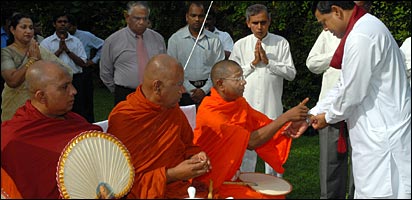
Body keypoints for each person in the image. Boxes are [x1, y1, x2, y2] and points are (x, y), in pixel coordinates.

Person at [310, 1, 411, 199]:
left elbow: (351, 93)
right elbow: (343, 84)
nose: (326, 29)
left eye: (324, 22)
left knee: (383, 193)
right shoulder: (365, 27)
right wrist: (314, 112)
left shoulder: (361, 36)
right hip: (375, 133)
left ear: (337, 11)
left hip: (382, 136)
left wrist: (327, 117)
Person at [192, 60, 310, 199]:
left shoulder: (238, 103)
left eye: (242, 77)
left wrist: (288, 125)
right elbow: (251, 142)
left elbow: (262, 124)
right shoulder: (211, 113)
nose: (244, 82)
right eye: (238, 79)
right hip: (211, 183)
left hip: (231, 177)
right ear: (220, 84)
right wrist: (284, 118)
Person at [107, 54, 212, 199]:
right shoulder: (126, 118)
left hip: (179, 190)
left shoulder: (172, 109)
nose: (183, 90)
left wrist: (196, 155)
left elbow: (187, 145)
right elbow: (122, 183)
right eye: (178, 84)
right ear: (157, 87)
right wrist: (172, 175)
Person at [1, 60, 103, 198]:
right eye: (64, 87)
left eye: (71, 84)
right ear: (41, 96)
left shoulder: (76, 121)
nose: (74, 91)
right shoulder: (13, 138)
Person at [306, 2, 371, 198]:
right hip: (329, 108)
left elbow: (354, 86)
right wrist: (338, 54)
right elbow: (312, 63)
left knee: (361, 165)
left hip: (360, 111)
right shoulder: (329, 32)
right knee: (330, 163)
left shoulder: (364, 33)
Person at [228, 4, 296, 177]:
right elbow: (231, 77)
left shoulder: (281, 43)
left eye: (263, 22)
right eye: (256, 23)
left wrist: (268, 63)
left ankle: (274, 193)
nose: (260, 27)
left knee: (273, 157)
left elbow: (291, 73)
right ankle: (244, 192)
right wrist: (252, 64)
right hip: (247, 109)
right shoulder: (240, 45)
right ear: (248, 23)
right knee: (245, 156)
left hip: (271, 107)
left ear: (270, 22)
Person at [1, 13, 71, 122]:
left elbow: (66, 72)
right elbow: (12, 81)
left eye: (31, 28)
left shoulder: (39, 50)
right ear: (12, 30)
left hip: (40, 105)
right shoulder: (6, 53)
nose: (28, 31)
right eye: (23, 27)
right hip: (15, 108)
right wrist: (32, 60)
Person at [100, 1, 166, 106]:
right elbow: (105, 72)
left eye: (145, 19)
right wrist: (117, 90)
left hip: (153, 93)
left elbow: (164, 66)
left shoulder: (157, 39)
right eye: (137, 18)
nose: (141, 22)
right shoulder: (113, 41)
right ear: (127, 17)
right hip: (125, 94)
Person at [167, 2, 225, 107]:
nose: (197, 19)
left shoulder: (214, 40)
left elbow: (219, 69)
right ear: (187, 17)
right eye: (193, 15)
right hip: (183, 93)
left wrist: (204, 90)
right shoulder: (175, 40)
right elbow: (173, 69)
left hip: (210, 92)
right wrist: (190, 89)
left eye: (201, 16)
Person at [40, 13, 88, 120]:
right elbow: (43, 65)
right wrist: (59, 51)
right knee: (58, 109)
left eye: (65, 22)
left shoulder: (76, 41)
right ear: (54, 24)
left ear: (69, 25)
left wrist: (67, 51)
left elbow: (83, 63)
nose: (62, 24)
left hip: (75, 79)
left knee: (78, 108)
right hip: (55, 81)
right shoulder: (46, 42)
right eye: (59, 22)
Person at [68, 17, 105, 123]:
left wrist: (94, 60)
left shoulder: (85, 36)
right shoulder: (61, 38)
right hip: (68, 73)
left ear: (75, 26)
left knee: (85, 100)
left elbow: (103, 45)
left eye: (70, 26)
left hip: (83, 70)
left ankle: (88, 123)